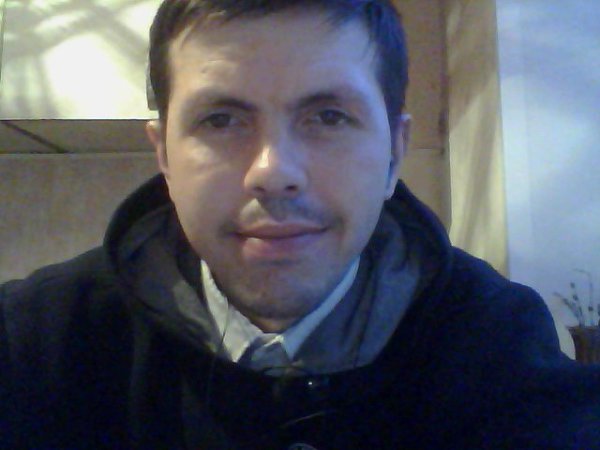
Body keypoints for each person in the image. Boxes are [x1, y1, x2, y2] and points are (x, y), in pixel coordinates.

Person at [1, 0, 599, 448]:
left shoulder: (495, 344)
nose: (274, 172)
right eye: (221, 120)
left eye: (329, 116)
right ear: (164, 156)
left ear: (395, 153)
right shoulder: (33, 341)